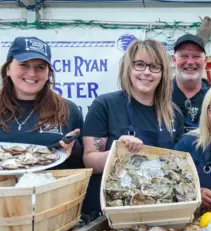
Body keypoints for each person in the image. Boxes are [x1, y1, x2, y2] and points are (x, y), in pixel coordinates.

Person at [82, 39, 184, 217]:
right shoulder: (105, 105)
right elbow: (89, 161)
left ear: (163, 73)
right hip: (110, 210)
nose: (146, 72)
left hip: (158, 209)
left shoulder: (173, 114)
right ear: (128, 68)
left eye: (154, 67)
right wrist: (117, 151)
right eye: (139, 65)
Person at [0, 36, 82, 169]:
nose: (32, 73)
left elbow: (80, 165)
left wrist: (73, 148)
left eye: (40, 67)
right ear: (8, 69)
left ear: (48, 72)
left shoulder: (67, 109)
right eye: (24, 65)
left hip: (51, 187)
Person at [172, 34, 211, 132]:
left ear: (205, 61)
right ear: (174, 60)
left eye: (196, 56)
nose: (190, 62)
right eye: (184, 56)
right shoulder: (160, 94)